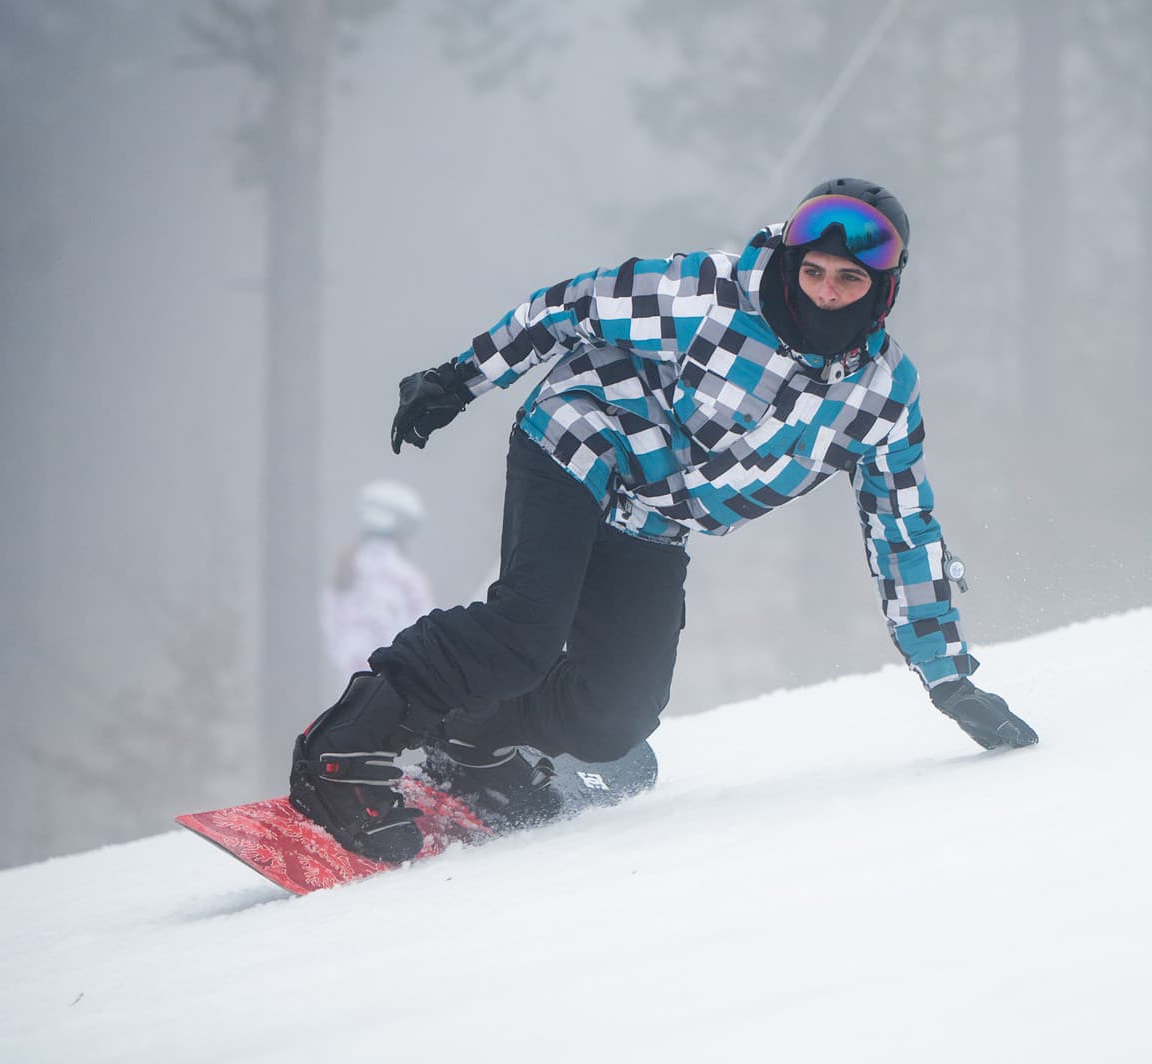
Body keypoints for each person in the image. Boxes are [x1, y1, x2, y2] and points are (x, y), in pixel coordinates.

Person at [291, 177, 1039, 863]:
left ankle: (471, 745)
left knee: (617, 711)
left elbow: (902, 532)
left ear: (884, 289)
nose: (825, 293)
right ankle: (345, 747)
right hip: (583, 436)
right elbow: (567, 308)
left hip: (653, 517)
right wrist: (460, 379)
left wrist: (949, 681)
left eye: (849, 280)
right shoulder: (708, 295)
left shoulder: (882, 397)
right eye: (812, 272)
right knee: (525, 629)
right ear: (790, 260)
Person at [319, 479, 435, 681]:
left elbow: (330, 625)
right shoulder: (408, 579)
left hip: (351, 684)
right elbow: (425, 630)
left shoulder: (343, 573)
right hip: (397, 683)